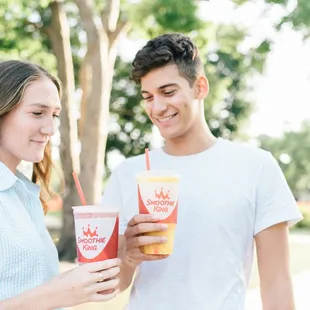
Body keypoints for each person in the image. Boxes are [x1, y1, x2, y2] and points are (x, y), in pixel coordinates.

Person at [101, 33, 303, 310]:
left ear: (200, 87)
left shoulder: (256, 167)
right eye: (148, 96)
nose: (157, 107)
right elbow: (112, 284)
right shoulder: (128, 173)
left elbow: (277, 282)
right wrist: (129, 257)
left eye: (168, 92)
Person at [0, 60, 120, 309]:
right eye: (37, 113)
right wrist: (60, 293)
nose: (50, 129)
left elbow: (32, 284)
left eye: (54, 115)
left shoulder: (23, 194)